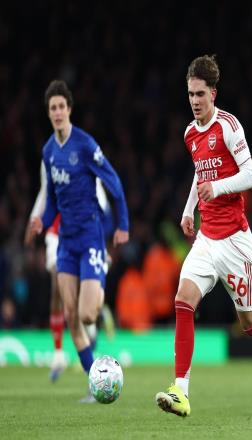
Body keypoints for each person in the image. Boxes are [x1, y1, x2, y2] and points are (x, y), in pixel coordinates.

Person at [155, 55, 252, 417]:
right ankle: (181, 391)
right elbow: (200, 172)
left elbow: (249, 175)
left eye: (200, 94)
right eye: (190, 94)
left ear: (213, 93)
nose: (194, 101)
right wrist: (189, 209)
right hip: (207, 239)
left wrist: (217, 188)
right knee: (183, 299)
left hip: (235, 241)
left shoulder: (229, 126)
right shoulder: (190, 134)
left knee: (250, 324)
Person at [25, 79, 129, 401]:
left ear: (69, 109)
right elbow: (53, 201)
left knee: (86, 315)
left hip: (91, 238)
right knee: (71, 316)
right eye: (52, 108)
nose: (57, 112)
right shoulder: (48, 152)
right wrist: (43, 220)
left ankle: (100, 296)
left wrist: (122, 224)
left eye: (61, 106)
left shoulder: (84, 145)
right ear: (48, 113)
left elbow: (114, 182)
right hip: (66, 243)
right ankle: (95, 381)